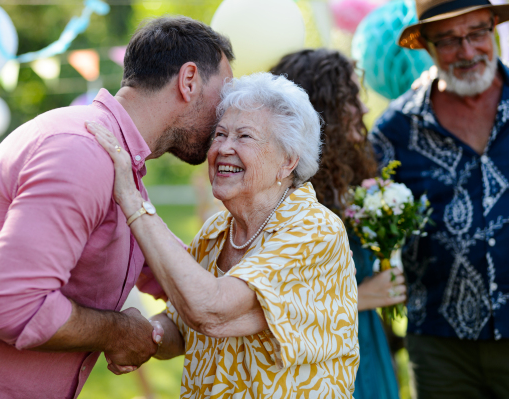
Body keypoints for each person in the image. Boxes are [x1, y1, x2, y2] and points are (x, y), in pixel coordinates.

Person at [0, 17, 233, 398]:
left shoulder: (120, 167)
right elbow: (13, 306)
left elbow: (186, 279)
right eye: (225, 95)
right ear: (189, 80)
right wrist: (119, 332)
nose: (227, 114)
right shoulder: (81, 152)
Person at [88, 72, 359, 398]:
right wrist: (144, 334)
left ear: (287, 161)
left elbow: (212, 311)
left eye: (244, 137)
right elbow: (183, 325)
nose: (224, 148)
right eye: (219, 134)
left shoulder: (314, 230)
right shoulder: (216, 231)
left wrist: (133, 199)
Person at [371, 0, 509, 397]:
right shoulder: (393, 132)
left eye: (477, 33)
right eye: (448, 40)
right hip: (440, 346)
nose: (466, 51)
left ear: (494, 31)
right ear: (427, 47)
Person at [271, 48, 404, 399]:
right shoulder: (289, 200)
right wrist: (362, 296)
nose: (362, 109)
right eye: (350, 98)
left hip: (367, 343)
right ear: (323, 109)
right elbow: (278, 304)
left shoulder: (352, 178)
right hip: (322, 358)